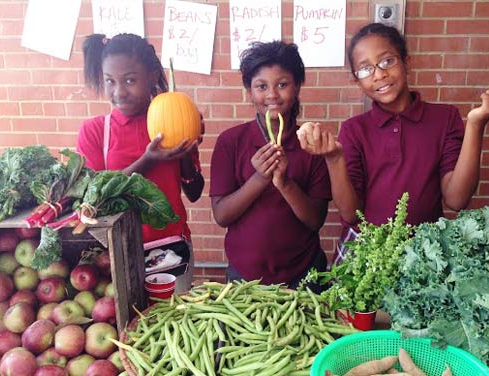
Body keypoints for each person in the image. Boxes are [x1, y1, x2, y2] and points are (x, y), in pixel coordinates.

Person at [297, 23, 489, 262]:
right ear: (356, 80)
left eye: (387, 61)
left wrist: (476, 124)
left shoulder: (444, 118)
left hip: (425, 253)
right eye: (365, 69)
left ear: (406, 61)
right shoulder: (354, 130)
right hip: (367, 254)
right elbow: (351, 214)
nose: (379, 74)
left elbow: (457, 199)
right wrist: (334, 159)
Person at [76, 33, 204, 293]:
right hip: (113, 254)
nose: (119, 92)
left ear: (153, 76)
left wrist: (186, 155)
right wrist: (147, 161)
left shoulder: (174, 121)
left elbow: (194, 192)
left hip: (171, 252)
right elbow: (91, 201)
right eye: (110, 81)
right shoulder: (96, 131)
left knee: (174, 330)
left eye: (130, 80)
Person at [209, 41, 331, 290]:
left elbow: (315, 220)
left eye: (282, 84)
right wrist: (259, 179)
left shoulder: (312, 143)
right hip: (245, 276)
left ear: (297, 87)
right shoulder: (230, 142)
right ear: (249, 91)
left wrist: (284, 183)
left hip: (304, 274)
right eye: (261, 86)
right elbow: (221, 215)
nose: (272, 95)